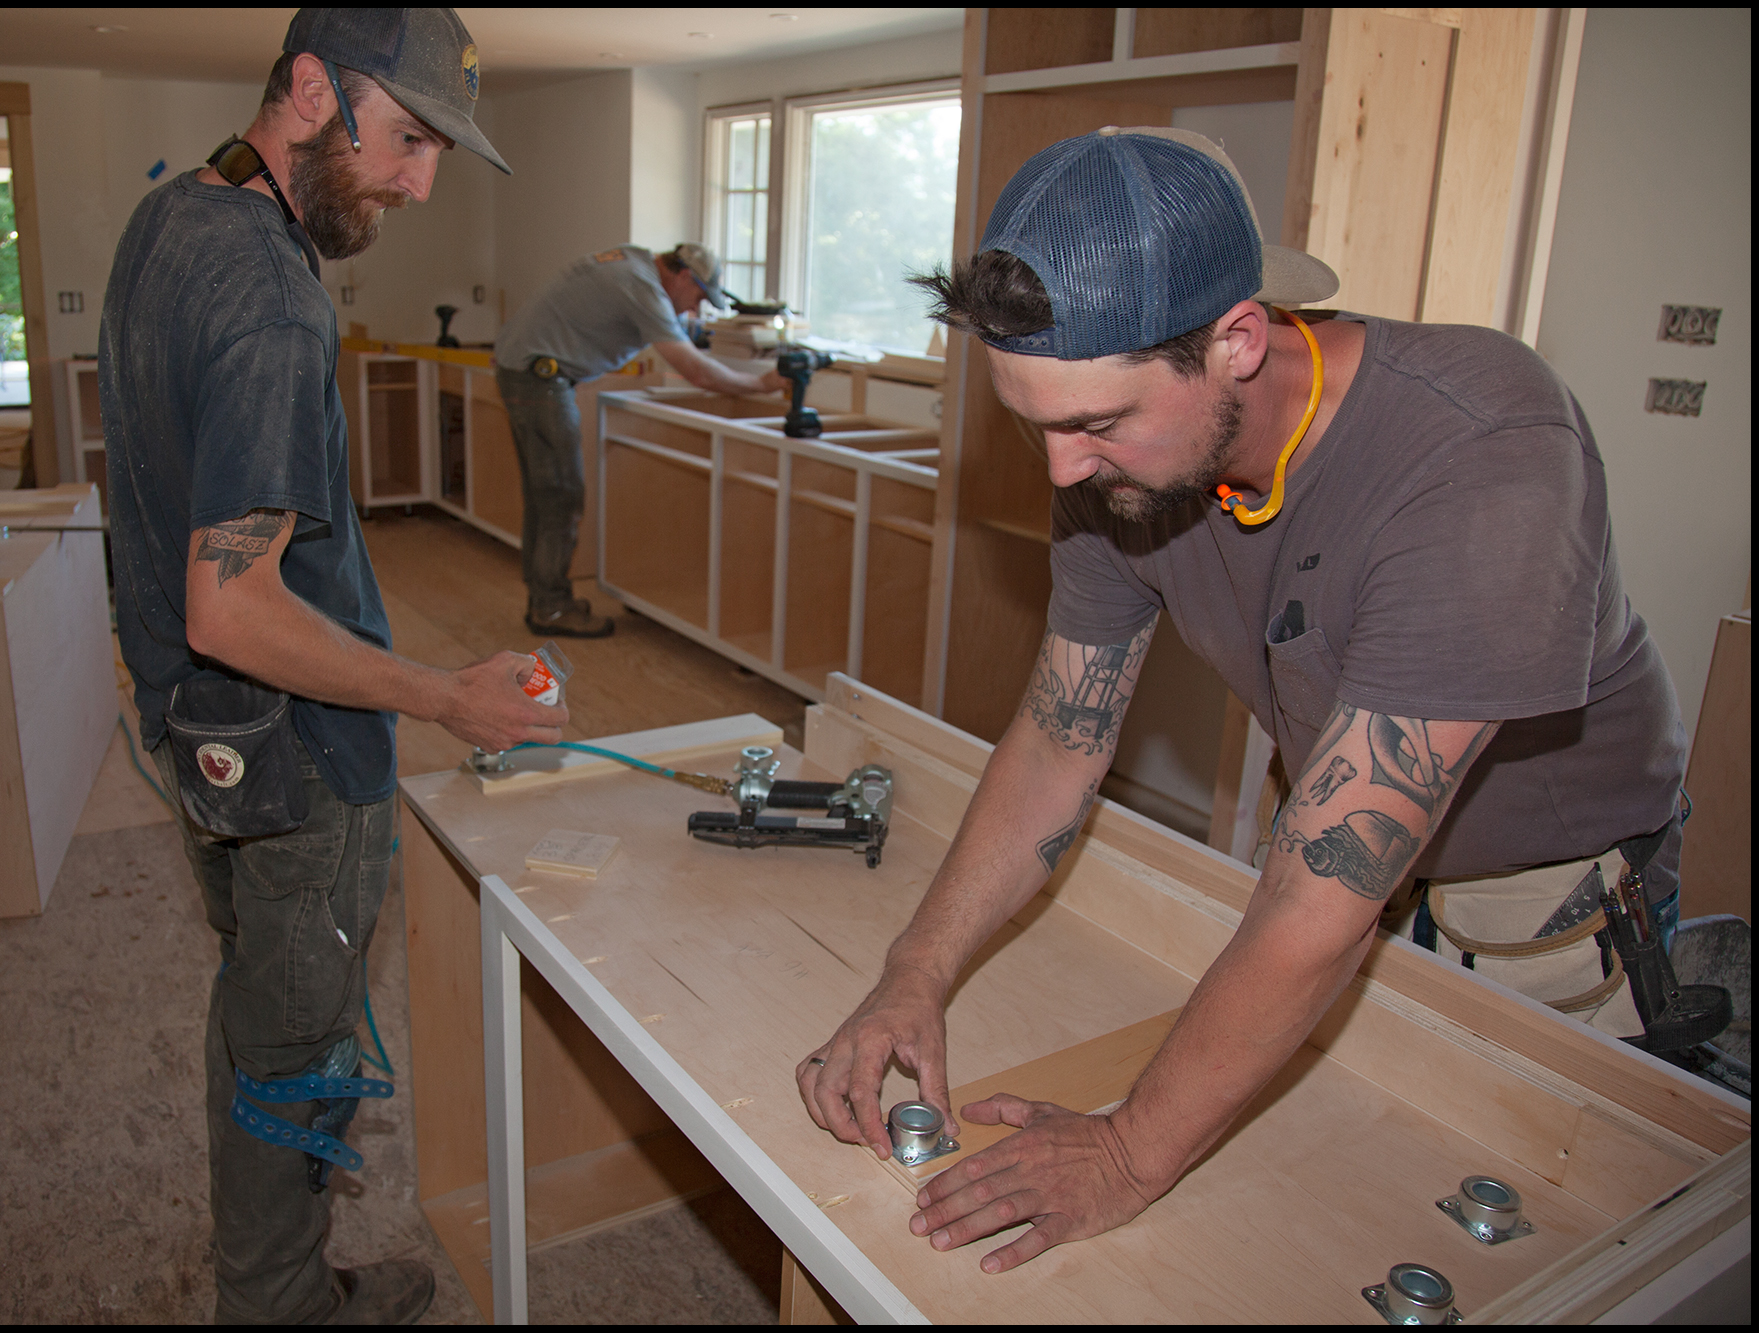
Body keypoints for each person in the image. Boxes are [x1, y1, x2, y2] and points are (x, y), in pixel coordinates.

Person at [796, 127, 1689, 1276]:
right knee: (1309, 1207)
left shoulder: (1483, 450)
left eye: (1096, 423)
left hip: (1543, 893)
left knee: (1558, 1251)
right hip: (1342, 859)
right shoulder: (1117, 467)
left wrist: (1123, 1154)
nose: (1061, 469)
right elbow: (1058, 743)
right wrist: (910, 970)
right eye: (1035, 423)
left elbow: (1322, 895)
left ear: (1236, 341)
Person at [99, 10, 565, 1323]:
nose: (421, 185)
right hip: (296, 759)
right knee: (291, 1042)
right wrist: (444, 696)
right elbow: (232, 607)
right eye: (409, 141)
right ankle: (282, 1303)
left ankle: (284, 1275)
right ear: (312, 90)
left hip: (203, 736)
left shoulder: (175, 219)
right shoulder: (267, 295)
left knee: (260, 995)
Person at [493, 243, 788, 637]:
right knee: (560, 498)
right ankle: (551, 608)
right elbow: (696, 373)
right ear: (684, 276)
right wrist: (761, 384)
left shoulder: (633, 263)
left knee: (545, 497)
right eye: (698, 298)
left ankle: (545, 600)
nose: (693, 310)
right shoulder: (640, 285)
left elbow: (666, 326)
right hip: (540, 380)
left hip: (525, 371)